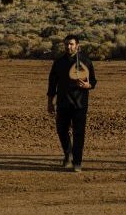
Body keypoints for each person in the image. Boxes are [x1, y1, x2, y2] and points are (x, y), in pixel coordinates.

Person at [47, 34, 97, 173]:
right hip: (63, 103)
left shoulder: (85, 61)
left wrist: (88, 85)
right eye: (67, 44)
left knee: (78, 133)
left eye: (71, 44)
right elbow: (52, 83)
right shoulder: (59, 62)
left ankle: (77, 163)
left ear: (77, 46)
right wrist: (50, 102)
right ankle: (68, 152)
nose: (68, 47)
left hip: (80, 104)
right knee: (61, 130)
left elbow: (93, 81)